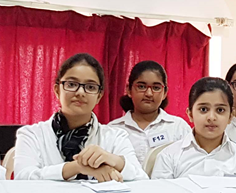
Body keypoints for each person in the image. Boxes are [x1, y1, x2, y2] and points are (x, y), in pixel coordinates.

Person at [13, 53, 146, 181]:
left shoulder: (115, 137)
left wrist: (115, 161)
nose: (80, 92)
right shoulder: (31, 135)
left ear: (99, 96)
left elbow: (142, 180)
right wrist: (76, 167)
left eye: (90, 87)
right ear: (57, 90)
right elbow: (22, 178)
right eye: (71, 84)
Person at [151, 77, 236, 179]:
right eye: (203, 109)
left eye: (220, 110)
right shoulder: (169, 157)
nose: (211, 117)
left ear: (230, 116)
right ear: (190, 114)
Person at [108, 60, 190, 165]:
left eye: (156, 88)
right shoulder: (113, 130)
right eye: (141, 86)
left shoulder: (178, 128)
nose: (149, 93)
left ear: (165, 93)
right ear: (129, 90)